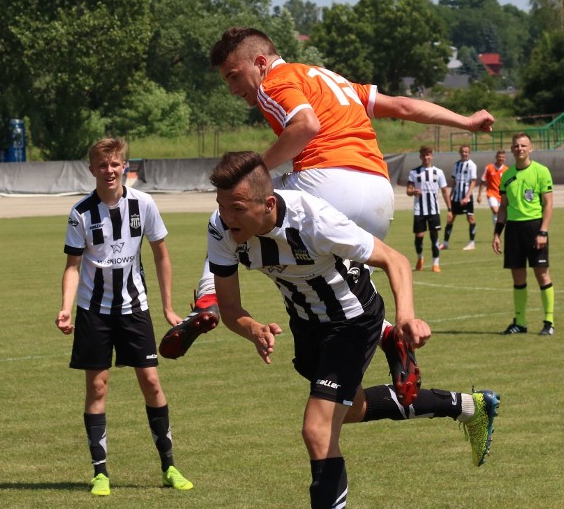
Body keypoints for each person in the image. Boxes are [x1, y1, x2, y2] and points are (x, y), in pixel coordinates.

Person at [206, 151, 499, 509]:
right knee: (351, 410)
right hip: (306, 326)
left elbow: (395, 260)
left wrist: (405, 317)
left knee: (317, 429)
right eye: (221, 207)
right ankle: (467, 405)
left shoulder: (315, 220)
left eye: (236, 209)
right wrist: (251, 327)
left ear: (267, 204)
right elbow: (230, 308)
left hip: (352, 319)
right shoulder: (223, 230)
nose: (226, 218)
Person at [159, 26, 494, 359]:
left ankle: (206, 299)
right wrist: (465, 121)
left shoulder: (275, 81)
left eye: (234, 76)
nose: (233, 89)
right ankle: (390, 336)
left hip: (327, 182)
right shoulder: (331, 79)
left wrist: (253, 172)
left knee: (229, 212)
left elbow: (306, 125)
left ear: (260, 62)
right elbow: (402, 106)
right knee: (328, 284)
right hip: (379, 193)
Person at [55, 137, 193, 496]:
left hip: (135, 308)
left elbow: (161, 255)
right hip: (93, 311)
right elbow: (72, 267)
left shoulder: (144, 204)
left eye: (116, 164)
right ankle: (100, 472)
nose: (110, 170)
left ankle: (169, 467)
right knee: (97, 386)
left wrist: (167, 306)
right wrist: (65, 308)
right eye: (103, 165)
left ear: (124, 166)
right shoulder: (81, 213)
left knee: (151, 382)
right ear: (92, 170)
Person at [492, 132, 555, 336]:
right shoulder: (507, 176)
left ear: (530, 148)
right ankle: (520, 322)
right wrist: (496, 234)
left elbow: (548, 204)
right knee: (518, 276)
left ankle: (549, 321)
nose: (519, 149)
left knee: (541, 273)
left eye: (523, 146)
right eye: (516, 146)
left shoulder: (541, 171)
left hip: (535, 227)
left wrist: (543, 231)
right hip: (514, 230)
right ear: (512, 149)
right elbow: (503, 207)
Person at [406, 145, 451, 272]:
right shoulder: (414, 172)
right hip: (419, 209)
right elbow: (408, 191)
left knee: (434, 236)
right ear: (420, 156)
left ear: (432, 156)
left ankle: (436, 263)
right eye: (424, 155)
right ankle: (420, 258)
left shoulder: (439, 172)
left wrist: (450, 209)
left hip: (433, 210)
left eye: (428, 155)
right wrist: (413, 191)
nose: (426, 157)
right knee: (419, 236)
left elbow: (444, 191)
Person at [439, 145, 478, 251]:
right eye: (462, 151)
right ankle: (445, 243)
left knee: (470, 218)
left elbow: (473, 182)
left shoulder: (472, 165)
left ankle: (471, 243)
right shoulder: (456, 165)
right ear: (459, 152)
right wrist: (450, 195)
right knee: (450, 219)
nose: (464, 153)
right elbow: (454, 181)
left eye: (466, 152)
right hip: (456, 197)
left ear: (469, 153)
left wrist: (467, 196)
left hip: (466, 198)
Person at [477, 150, 508, 226]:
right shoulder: (489, 168)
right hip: (491, 193)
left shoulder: (506, 170)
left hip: (502, 195)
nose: (501, 158)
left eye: (502, 157)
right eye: (499, 157)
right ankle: (496, 230)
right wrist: (479, 195)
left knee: (502, 213)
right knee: (495, 210)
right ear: (496, 157)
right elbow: (483, 181)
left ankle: (499, 228)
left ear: (505, 159)